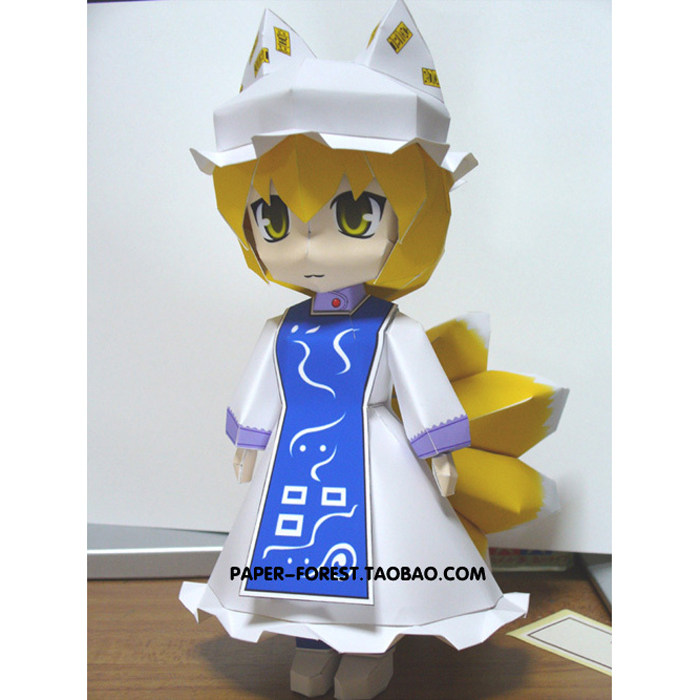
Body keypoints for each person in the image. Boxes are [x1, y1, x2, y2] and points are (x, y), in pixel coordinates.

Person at [180, 3, 552, 698]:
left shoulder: (391, 328)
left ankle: (368, 653)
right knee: (291, 558)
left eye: (353, 216)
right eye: (274, 219)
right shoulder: (283, 326)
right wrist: (249, 441)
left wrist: (438, 452)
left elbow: (422, 390)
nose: (308, 247)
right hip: (294, 460)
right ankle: (311, 645)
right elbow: (261, 387)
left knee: (382, 560)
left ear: (411, 218)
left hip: (373, 455)